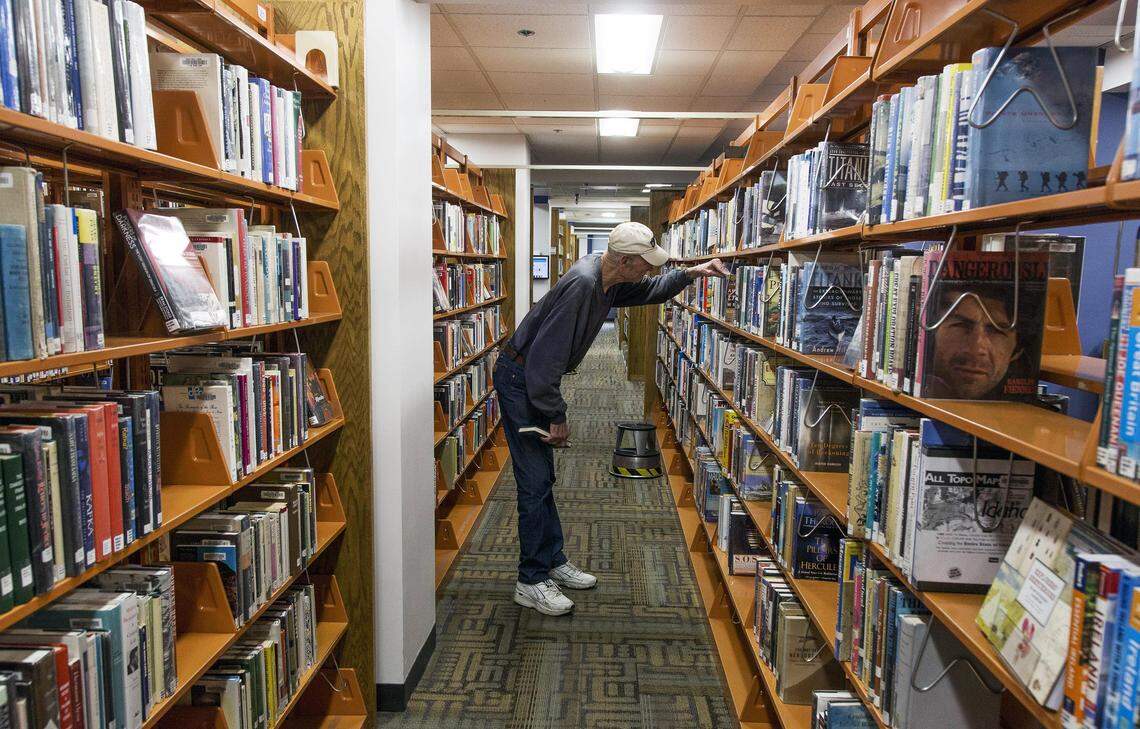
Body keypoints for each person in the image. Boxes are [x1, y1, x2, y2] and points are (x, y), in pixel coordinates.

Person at [494, 221, 729, 616]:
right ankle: (530, 580)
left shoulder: (605, 276)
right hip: (522, 383)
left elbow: (648, 290)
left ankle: (551, 559)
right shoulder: (584, 286)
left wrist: (690, 274)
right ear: (622, 260)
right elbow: (542, 364)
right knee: (533, 482)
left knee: (542, 477)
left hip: (529, 380)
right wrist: (556, 415)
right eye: (644, 263)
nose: (650, 270)